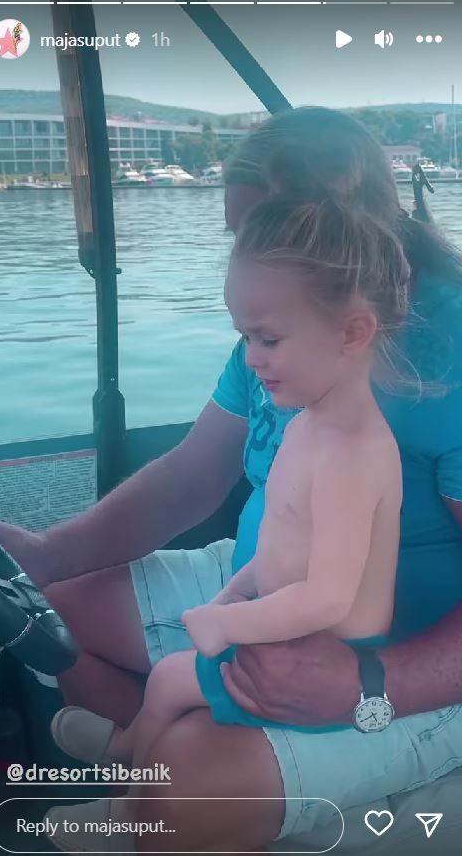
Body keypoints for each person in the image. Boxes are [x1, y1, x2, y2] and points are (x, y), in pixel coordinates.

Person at [0, 107, 462, 852]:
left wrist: (370, 683)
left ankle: (173, 794)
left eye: (258, 232)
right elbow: (191, 476)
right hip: (265, 574)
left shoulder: (446, 351)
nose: (244, 255)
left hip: (406, 648)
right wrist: (47, 554)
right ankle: (147, 772)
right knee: (52, 618)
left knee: (187, 790)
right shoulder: (285, 324)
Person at [45, 195, 407, 851]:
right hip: (282, 621)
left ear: (352, 333)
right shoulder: (309, 423)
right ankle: (130, 757)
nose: (251, 357)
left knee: (170, 681)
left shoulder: (355, 454)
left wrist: (227, 624)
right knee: (167, 682)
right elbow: (283, 548)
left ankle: (130, 805)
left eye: (268, 339)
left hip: (326, 656)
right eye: (244, 337)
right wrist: (233, 594)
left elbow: (330, 598)